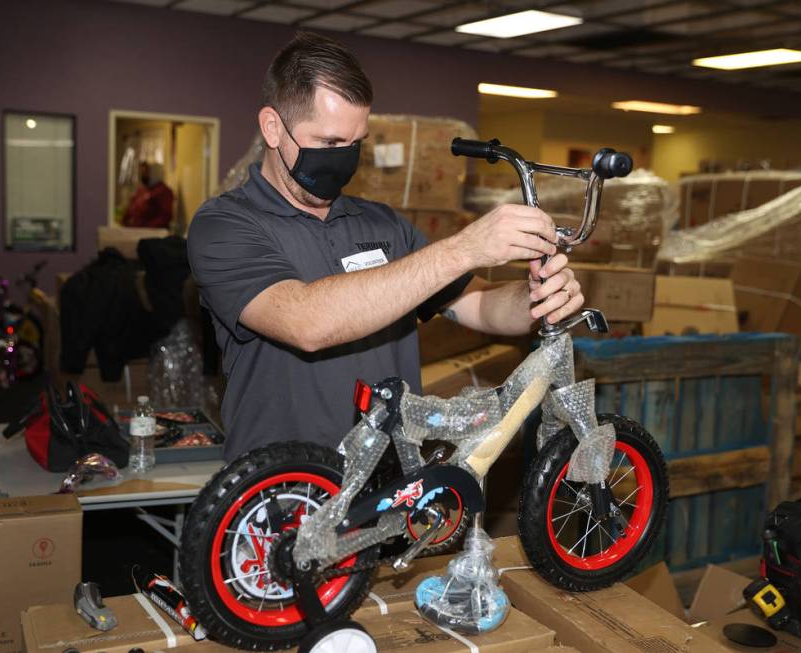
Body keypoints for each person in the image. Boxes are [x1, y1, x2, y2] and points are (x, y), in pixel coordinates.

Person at [188, 32, 584, 462]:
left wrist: (537, 298)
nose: (343, 157)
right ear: (272, 127)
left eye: (355, 143)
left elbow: (479, 307)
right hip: (280, 487)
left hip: (388, 484)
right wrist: (463, 248)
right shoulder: (224, 226)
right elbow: (306, 323)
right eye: (328, 143)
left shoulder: (383, 224)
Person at [123, 162, 174, 228]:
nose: (143, 175)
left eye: (146, 173)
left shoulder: (164, 191)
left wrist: (146, 227)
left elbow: (165, 216)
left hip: (150, 232)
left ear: (154, 173)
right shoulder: (141, 190)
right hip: (134, 230)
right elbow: (131, 207)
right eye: (142, 173)